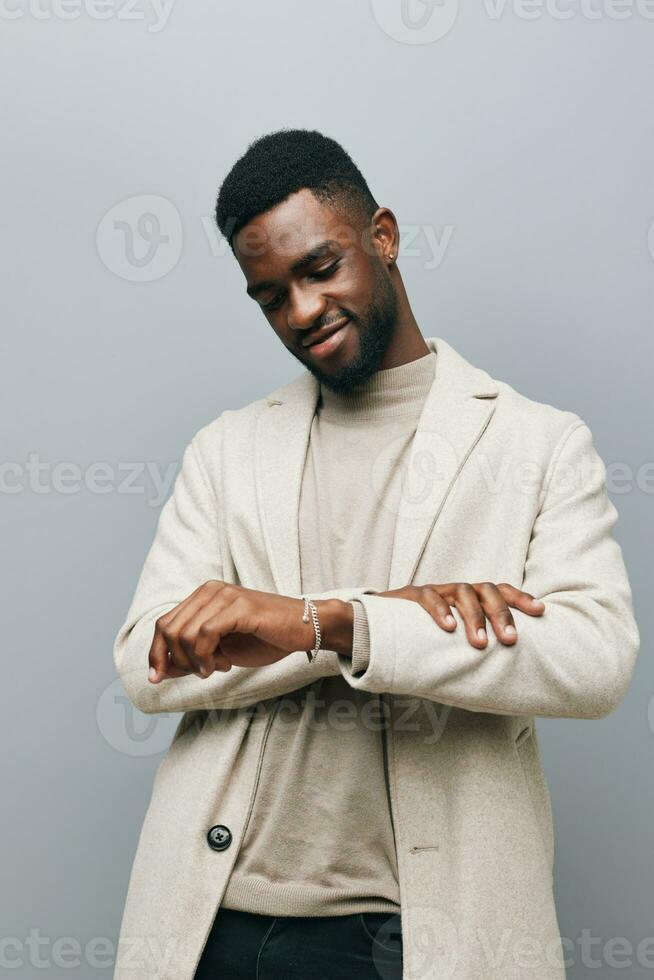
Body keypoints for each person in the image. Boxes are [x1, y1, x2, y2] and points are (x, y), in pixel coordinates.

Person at [112, 129, 640, 980]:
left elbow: (593, 659)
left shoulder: (536, 444)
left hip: (422, 940)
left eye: (321, 269)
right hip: (216, 923)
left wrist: (326, 624)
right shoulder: (227, 449)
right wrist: (370, 618)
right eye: (270, 296)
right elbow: (148, 664)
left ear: (384, 236)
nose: (303, 312)